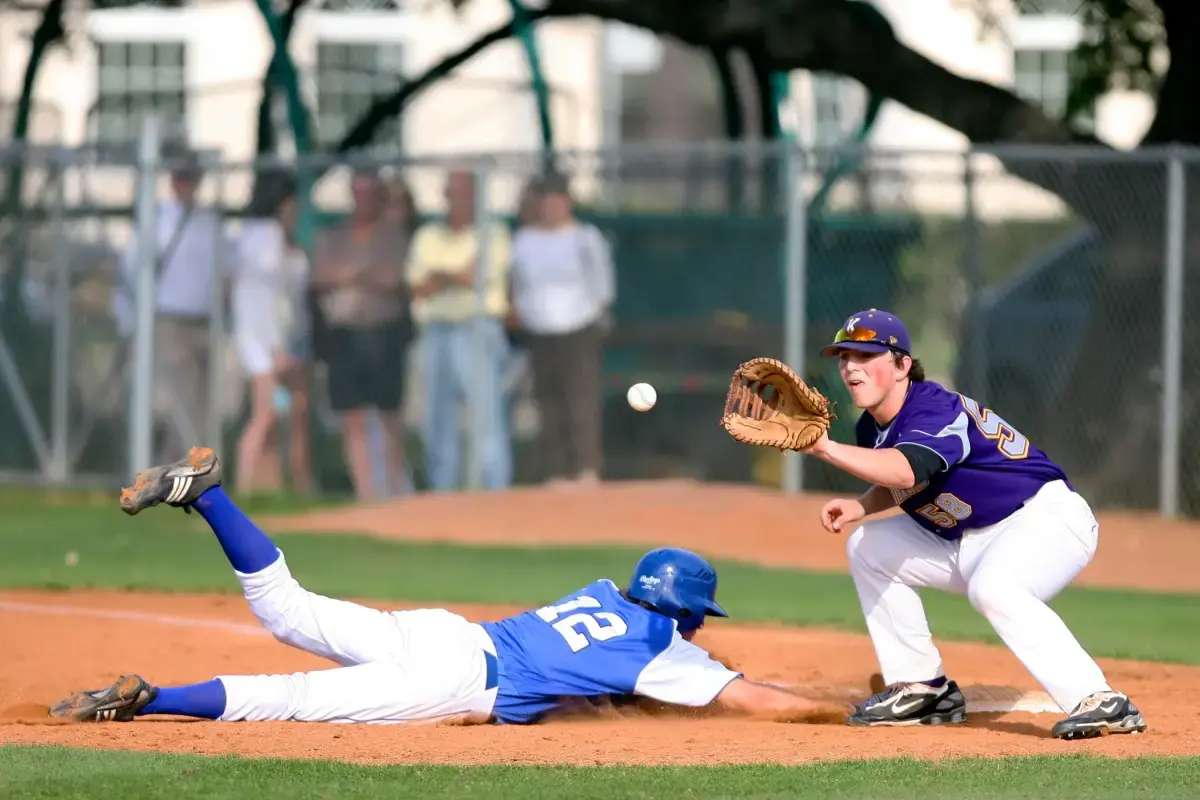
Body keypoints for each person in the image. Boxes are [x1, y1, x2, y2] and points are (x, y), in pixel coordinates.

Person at [48, 447, 839, 727]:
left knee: (286, 609)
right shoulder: (660, 651)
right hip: (456, 679)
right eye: (697, 620)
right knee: (287, 696)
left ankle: (209, 494)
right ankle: (150, 701)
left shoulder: (603, 592)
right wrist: (841, 711)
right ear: (685, 615)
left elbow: (604, 675)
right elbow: (749, 699)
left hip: (446, 633)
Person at [802, 309, 1147, 740]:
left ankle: (1100, 700)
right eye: (844, 356)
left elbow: (910, 469)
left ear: (902, 365)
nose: (851, 366)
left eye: (865, 355)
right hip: (968, 537)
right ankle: (922, 690)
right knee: (868, 546)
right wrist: (863, 506)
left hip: (1043, 518)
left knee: (995, 588)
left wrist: (824, 449)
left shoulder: (934, 409)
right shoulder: (870, 427)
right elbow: (909, 480)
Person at [310, 169, 415, 501]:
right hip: (344, 335)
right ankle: (366, 491)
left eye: (370, 193)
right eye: (358, 192)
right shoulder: (334, 235)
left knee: (389, 414)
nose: (363, 199)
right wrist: (361, 275)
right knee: (351, 414)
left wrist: (347, 275)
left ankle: (394, 488)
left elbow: (391, 278)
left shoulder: (393, 237)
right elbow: (320, 277)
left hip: (383, 333)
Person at [406, 169, 513, 491]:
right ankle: (442, 493)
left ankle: (494, 491)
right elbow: (418, 287)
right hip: (436, 330)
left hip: (477, 329)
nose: (456, 198)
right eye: (451, 191)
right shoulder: (427, 236)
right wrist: (453, 275)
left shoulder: (493, 233)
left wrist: (439, 277)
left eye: (463, 191)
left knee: (486, 416)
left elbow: (476, 278)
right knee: (437, 419)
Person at [509, 172, 615, 487]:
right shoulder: (524, 240)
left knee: (580, 399)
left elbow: (602, 285)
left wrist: (593, 315)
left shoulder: (586, 238)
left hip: (579, 326)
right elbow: (516, 284)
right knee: (547, 400)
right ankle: (554, 470)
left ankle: (586, 468)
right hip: (539, 329)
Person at [231, 171, 312, 496]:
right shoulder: (265, 238)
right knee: (265, 416)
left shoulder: (259, 237)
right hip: (265, 344)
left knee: (278, 413)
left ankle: (269, 487)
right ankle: (245, 486)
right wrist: (277, 348)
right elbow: (268, 299)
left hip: (272, 341)